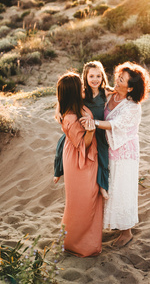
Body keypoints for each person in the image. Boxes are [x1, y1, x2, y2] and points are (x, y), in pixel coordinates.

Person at [80, 62, 150, 248]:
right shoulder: (111, 94)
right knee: (111, 186)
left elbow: (115, 125)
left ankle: (126, 232)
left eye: (122, 79)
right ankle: (114, 224)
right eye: (119, 76)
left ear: (130, 88)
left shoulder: (133, 107)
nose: (117, 79)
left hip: (125, 152)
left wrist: (92, 122)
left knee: (123, 189)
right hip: (109, 148)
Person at [53, 72, 103, 257]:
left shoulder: (77, 106)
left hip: (84, 157)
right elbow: (83, 144)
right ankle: (74, 243)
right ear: (73, 92)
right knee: (82, 202)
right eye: (80, 86)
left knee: (89, 199)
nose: (84, 87)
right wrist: (90, 131)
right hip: (79, 161)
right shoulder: (71, 117)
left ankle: (86, 241)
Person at [54, 61, 111, 200]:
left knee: (102, 155)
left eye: (98, 76)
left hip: (98, 128)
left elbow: (119, 93)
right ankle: (58, 171)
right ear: (85, 77)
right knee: (61, 144)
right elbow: (66, 97)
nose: (95, 80)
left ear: (103, 77)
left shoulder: (106, 92)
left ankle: (103, 186)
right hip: (84, 129)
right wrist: (58, 108)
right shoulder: (83, 93)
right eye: (91, 76)